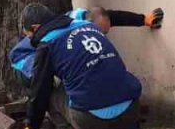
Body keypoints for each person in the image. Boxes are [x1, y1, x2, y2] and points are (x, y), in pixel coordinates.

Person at [18, 3, 151, 129]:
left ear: (35, 28)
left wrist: (31, 126)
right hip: (131, 111)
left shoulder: (47, 44)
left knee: (48, 90)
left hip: (90, 122)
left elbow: (40, 91)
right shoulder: (90, 26)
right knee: (113, 75)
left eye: (29, 35)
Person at [10, 5, 163, 82]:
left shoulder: (90, 18)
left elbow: (112, 17)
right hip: (24, 61)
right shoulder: (71, 26)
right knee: (47, 83)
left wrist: (143, 19)